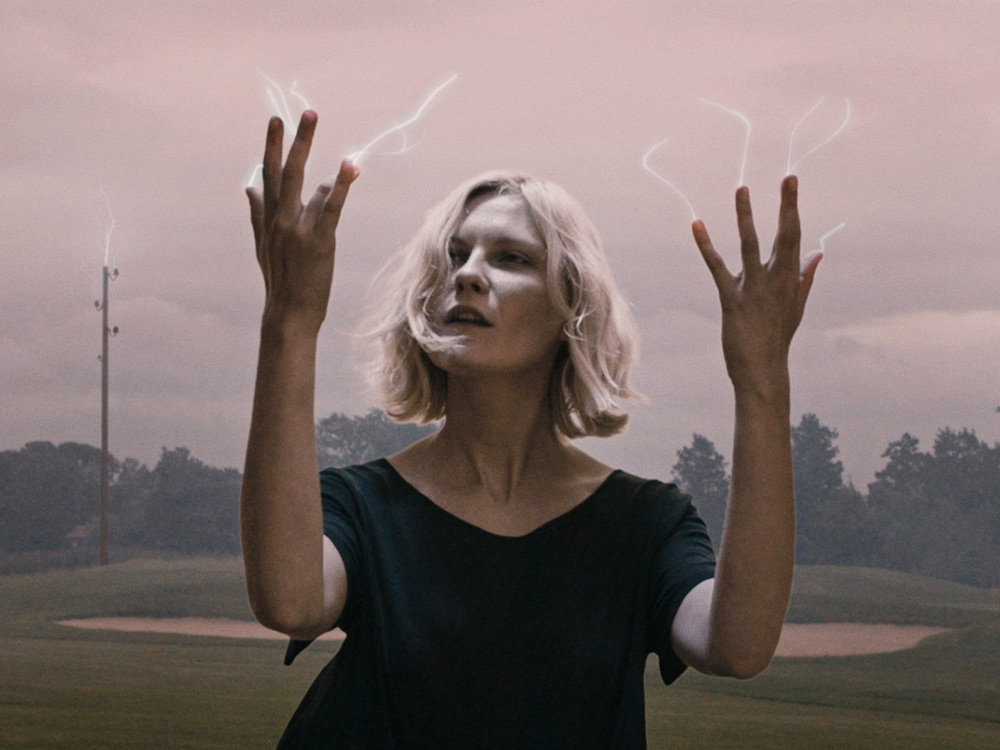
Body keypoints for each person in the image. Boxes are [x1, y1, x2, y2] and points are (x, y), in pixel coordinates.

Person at [240, 110, 822, 749]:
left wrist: (763, 379)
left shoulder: (644, 523)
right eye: (455, 255)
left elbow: (737, 647)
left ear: (571, 307)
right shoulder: (363, 506)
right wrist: (289, 320)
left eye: (510, 257)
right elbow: (290, 604)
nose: (467, 273)